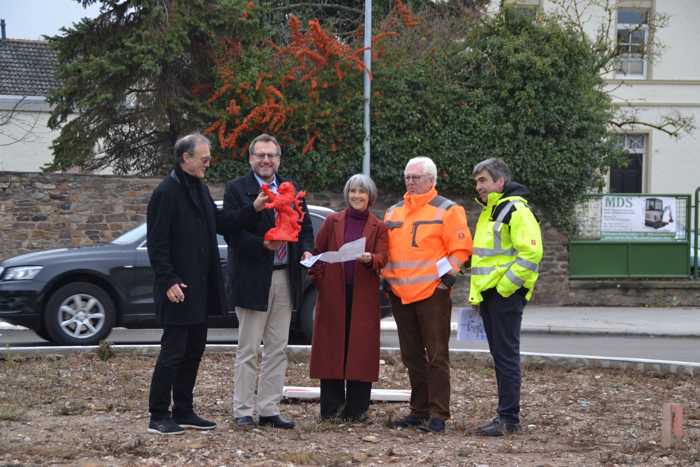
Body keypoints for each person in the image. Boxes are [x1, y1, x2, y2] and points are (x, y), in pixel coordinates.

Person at [146, 133, 268, 435]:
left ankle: (184, 410)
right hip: (178, 289)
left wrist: (253, 208)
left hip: (200, 289)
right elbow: (157, 244)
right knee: (172, 352)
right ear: (185, 158)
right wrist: (168, 281)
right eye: (204, 158)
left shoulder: (198, 188)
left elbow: (222, 222)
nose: (208, 162)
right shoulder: (166, 192)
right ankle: (158, 415)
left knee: (193, 351)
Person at [224, 133, 314, 429]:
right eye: (260, 155)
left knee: (278, 347)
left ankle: (269, 408)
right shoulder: (237, 190)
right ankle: (243, 409)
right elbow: (232, 233)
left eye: (271, 155)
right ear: (251, 159)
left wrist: (307, 250)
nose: (266, 160)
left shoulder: (291, 188)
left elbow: (305, 226)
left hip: (285, 278)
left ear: (278, 159)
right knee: (248, 348)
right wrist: (262, 244)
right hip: (253, 279)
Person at [382, 156, 473, 433]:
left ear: (431, 180)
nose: (410, 181)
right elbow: (385, 249)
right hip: (399, 294)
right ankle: (418, 411)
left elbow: (461, 248)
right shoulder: (393, 212)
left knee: (436, 356)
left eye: (416, 177)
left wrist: (449, 276)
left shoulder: (448, 210)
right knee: (411, 356)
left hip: (432, 293)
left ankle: (438, 415)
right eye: (407, 176)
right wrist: (385, 278)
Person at [470, 158, 543, 437]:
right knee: (501, 357)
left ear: (500, 181)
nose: (478, 187)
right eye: (477, 182)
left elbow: (531, 255)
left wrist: (503, 289)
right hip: (493, 295)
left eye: (483, 181)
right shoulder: (493, 210)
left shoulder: (515, 210)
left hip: (504, 296)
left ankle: (509, 419)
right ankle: (506, 416)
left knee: (506, 357)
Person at [308, 174, 388, 422]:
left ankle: (357, 410)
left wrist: (370, 259)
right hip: (334, 294)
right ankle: (331, 409)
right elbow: (318, 252)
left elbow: (384, 257)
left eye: (361, 192)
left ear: (370, 196)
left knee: (360, 351)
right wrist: (320, 280)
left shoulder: (379, 227)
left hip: (363, 296)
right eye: (352, 191)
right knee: (332, 348)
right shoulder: (332, 221)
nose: (356, 196)